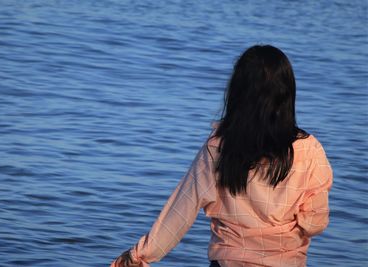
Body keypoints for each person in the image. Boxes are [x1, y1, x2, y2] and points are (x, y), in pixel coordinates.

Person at [110, 45, 333, 267]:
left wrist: (138, 256)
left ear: (238, 91)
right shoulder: (309, 150)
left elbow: (181, 212)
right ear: (287, 94)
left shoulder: (220, 146)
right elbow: (315, 222)